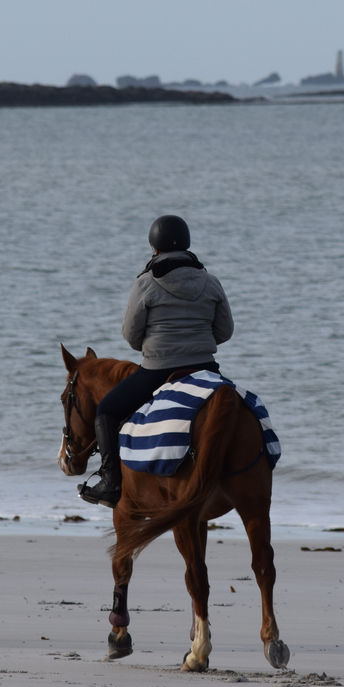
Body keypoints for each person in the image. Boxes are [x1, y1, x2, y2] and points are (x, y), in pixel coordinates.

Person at [77, 214, 234, 508]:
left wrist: (152, 348)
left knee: (107, 412)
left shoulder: (146, 283)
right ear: (186, 245)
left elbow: (131, 335)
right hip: (205, 369)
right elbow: (225, 331)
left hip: (158, 372)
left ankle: (110, 483)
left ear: (154, 248)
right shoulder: (211, 282)